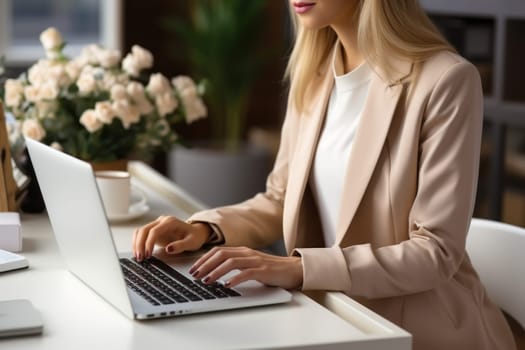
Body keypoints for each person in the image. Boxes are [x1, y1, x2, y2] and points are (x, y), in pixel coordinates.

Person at [133, 1, 516, 349]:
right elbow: (280, 199)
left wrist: (299, 268)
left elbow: (435, 251)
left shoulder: (445, 81)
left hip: (418, 331)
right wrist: (204, 229)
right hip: (331, 317)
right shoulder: (314, 75)